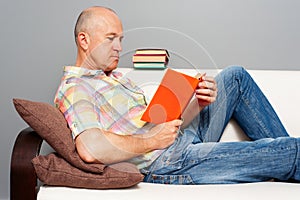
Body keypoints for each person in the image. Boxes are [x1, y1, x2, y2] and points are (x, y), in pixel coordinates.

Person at [54, 6, 300, 184]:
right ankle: (289, 158)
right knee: (293, 149)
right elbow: (90, 149)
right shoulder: (77, 88)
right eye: (111, 39)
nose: (119, 47)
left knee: (235, 77)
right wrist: (153, 141)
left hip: (178, 140)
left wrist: (199, 104)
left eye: (120, 39)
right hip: (167, 162)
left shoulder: (114, 77)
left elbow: (161, 126)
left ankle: (289, 163)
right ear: (84, 40)